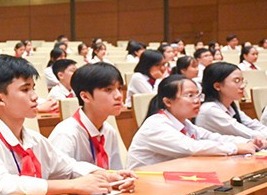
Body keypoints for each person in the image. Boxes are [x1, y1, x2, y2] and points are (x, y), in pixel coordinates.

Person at [0, 56, 132, 195]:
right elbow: (4, 188)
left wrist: (106, 176)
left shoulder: (34, 139)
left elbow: (68, 166)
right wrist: (74, 185)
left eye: (33, 88)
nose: (35, 97)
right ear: (0, 99)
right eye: (25, 90)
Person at [127, 74, 257, 169]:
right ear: (167, 102)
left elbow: (213, 137)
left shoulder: (185, 123)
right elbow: (192, 148)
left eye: (198, 95)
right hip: (145, 184)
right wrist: (235, 148)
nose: (197, 100)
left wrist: (248, 142)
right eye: (190, 95)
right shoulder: (156, 125)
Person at [48, 63, 131, 171]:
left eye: (119, 88)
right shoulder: (66, 134)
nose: (119, 95)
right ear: (85, 96)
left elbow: (115, 172)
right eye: (108, 89)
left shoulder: (109, 132)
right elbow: (55, 180)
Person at [195, 63, 267, 142]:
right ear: (217, 86)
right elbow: (249, 135)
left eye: (242, 80)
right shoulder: (210, 109)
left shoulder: (230, 106)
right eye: (236, 81)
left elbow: (255, 125)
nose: (242, 86)